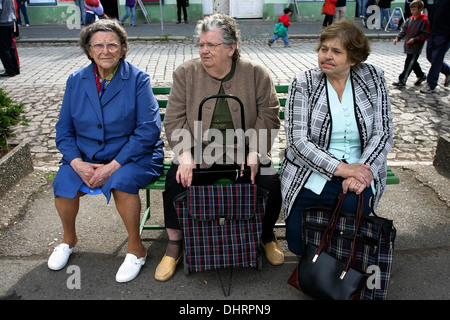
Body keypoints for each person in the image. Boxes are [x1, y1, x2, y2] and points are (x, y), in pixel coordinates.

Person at [156, 13, 284, 282]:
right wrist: (185, 154)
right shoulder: (185, 74)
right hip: (200, 151)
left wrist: (255, 152)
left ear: (231, 48)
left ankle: (265, 234)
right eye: (201, 45)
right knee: (176, 181)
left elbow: (269, 113)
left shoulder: (256, 74)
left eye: (211, 45)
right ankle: (175, 244)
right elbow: (175, 118)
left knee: (270, 183)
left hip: (245, 149)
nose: (204, 51)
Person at [47, 19, 164, 283]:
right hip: (86, 156)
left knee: (121, 182)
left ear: (123, 48)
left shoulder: (137, 79)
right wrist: (77, 163)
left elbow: (148, 130)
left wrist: (113, 166)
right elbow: (64, 130)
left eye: (113, 44)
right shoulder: (76, 80)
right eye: (98, 45)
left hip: (135, 155)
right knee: (63, 181)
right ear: (89, 50)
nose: (105, 51)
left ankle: (136, 248)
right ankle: (68, 240)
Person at [280, 19, 394, 256]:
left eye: (336, 51)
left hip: (360, 166)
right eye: (324, 49)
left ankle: (342, 263)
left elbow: (382, 133)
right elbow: (298, 142)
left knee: (353, 208)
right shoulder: (304, 83)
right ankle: (319, 260)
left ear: (353, 58)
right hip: (310, 171)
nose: (327, 56)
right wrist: (342, 169)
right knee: (297, 241)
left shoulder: (372, 78)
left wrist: (362, 171)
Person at [392, 0, 429, 87]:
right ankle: (421, 75)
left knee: (409, 62)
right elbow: (404, 29)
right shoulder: (410, 19)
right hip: (408, 45)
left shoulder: (423, 20)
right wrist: (398, 38)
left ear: (420, 9)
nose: (412, 11)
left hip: (416, 46)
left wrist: (415, 39)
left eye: (414, 9)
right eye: (411, 10)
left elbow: (425, 34)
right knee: (413, 62)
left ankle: (402, 80)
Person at [420, 0, 450, 93]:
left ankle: (431, 84)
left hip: (444, 33)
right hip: (433, 31)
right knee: (430, 57)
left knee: (437, 59)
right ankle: (448, 71)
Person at [0, 0, 20, 77]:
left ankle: (10, 70)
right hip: (10, 21)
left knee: (4, 48)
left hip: (3, 22)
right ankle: (15, 68)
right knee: (10, 46)